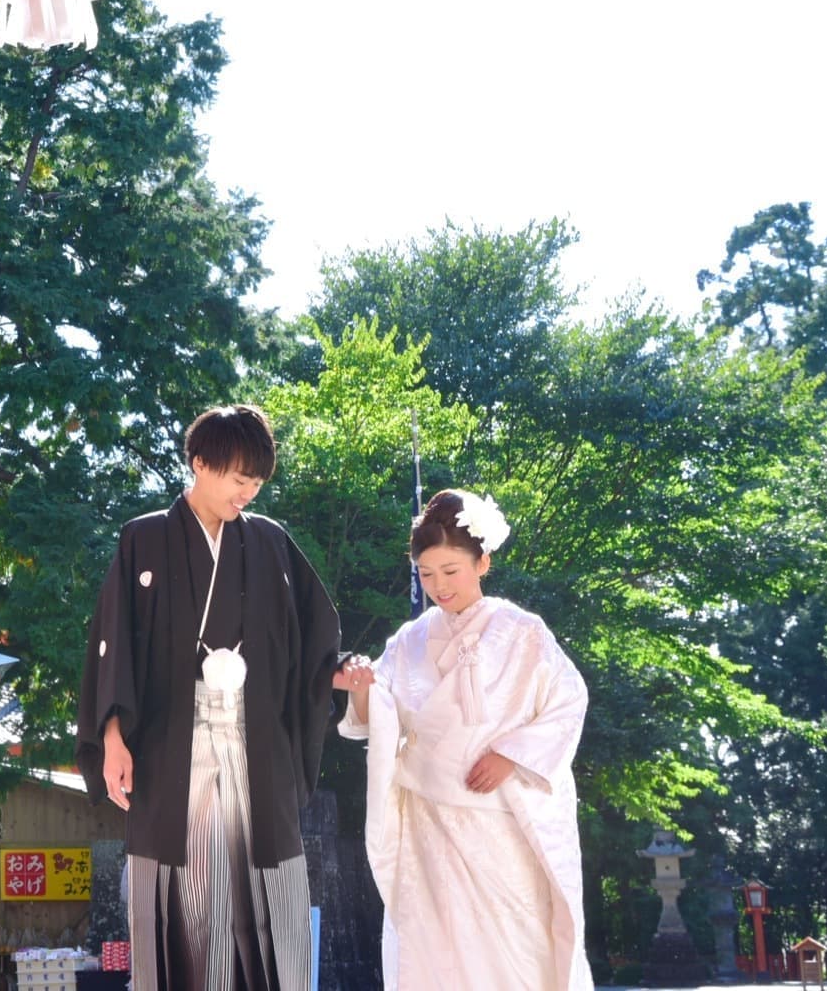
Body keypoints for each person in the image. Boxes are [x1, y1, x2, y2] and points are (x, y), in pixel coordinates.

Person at [76, 403, 347, 991]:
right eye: (237, 478)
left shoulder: (271, 542)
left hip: (256, 740)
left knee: (267, 884)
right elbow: (111, 644)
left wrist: (336, 672)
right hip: (174, 743)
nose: (247, 492)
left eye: (255, 482)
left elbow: (313, 635)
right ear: (200, 463)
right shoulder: (143, 538)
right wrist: (113, 739)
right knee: (187, 897)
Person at [338, 489, 593, 991]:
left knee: (515, 951)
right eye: (426, 574)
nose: (439, 586)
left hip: (499, 824)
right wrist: (363, 688)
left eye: (451, 571)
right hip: (428, 828)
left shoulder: (523, 632)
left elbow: (568, 701)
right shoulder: (408, 641)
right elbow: (379, 718)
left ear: (483, 561)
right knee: (433, 953)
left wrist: (510, 755)